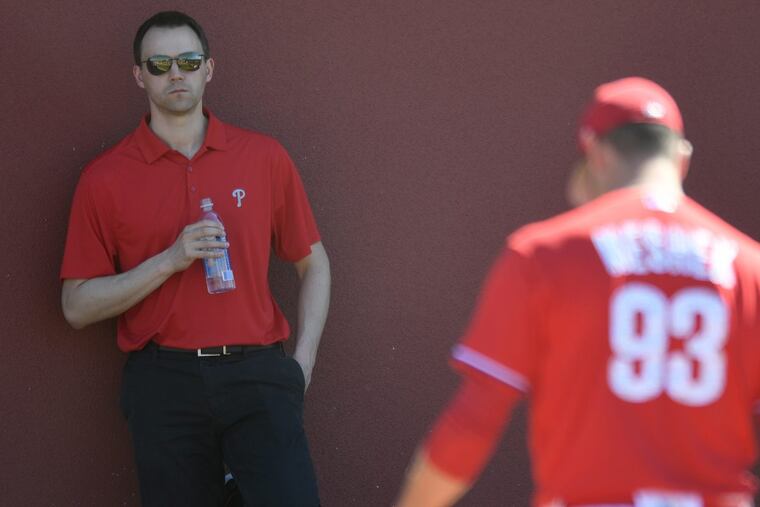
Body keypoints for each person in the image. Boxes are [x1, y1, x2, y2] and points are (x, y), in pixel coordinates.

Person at [396, 77, 760, 507]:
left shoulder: (544, 251)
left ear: (596, 152)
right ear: (682, 159)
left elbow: (473, 421)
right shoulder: (748, 265)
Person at [60, 11, 330, 507]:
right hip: (164, 384)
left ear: (209, 68)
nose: (175, 74)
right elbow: (76, 306)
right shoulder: (104, 178)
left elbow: (313, 263)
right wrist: (170, 259)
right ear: (139, 76)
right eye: (159, 64)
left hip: (258, 374)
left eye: (188, 60)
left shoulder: (263, 156)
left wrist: (302, 366)